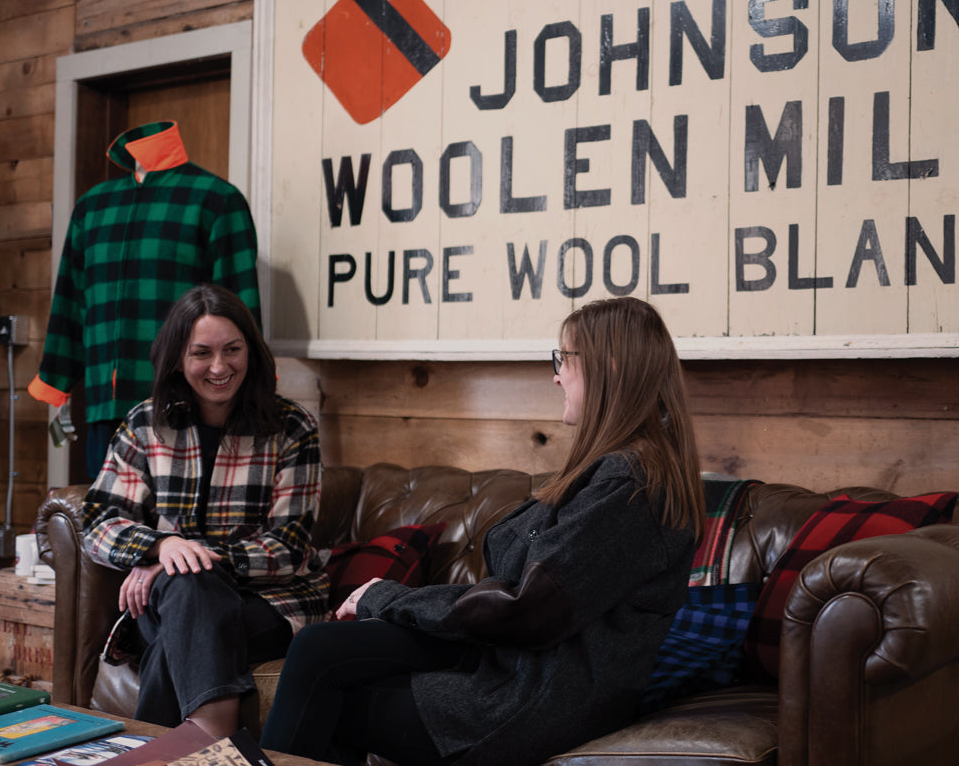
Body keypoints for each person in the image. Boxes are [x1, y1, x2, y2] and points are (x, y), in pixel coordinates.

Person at [259, 297, 703, 766]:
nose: (556, 376)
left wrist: (388, 598)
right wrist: (388, 603)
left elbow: (524, 610)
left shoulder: (628, 485)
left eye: (563, 360)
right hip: (516, 662)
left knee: (331, 700)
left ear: (607, 367)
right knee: (319, 647)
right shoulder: (618, 470)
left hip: (529, 695)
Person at [81, 284, 326, 737]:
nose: (219, 367)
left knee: (182, 614)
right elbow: (99, 522)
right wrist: (161, 546)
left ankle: (170, 742)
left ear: (250, 352)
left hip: (270, 602)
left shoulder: (291, 427)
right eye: (202, 353)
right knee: (189, 593)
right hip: (171, 598)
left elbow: (288, 547)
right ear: (177, 358)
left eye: (232, 350)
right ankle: (213, 736)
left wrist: (180, 560)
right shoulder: (144, 424)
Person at [29, 121, 262, 477]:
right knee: (110, 522)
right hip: (106, 412)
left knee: (183, 524)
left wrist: (255, 373)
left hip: (186, 406)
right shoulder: (92, 207)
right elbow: (71, 300)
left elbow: (239, 304)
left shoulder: (216, 199)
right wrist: (56, 378)